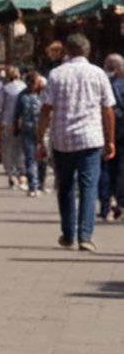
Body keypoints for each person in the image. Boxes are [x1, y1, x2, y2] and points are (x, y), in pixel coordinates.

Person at [37, 32, 116, 252]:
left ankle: (68, 233)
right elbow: (107, 109)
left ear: (67, 51)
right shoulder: (98, 74)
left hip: (63, 140)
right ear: (87, 52)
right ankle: (85, 236)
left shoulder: (56, 74)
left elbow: (45, 110)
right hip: (91, 139)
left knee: (65, 188)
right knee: (88, 187)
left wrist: (40, 139)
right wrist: (110, 140)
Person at [99, 53, 124, 220]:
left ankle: (106, 205)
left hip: (103, 130)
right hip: (122, 132)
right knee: (121, 169)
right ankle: (120, 203)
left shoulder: (100, 83)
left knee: (104, 169)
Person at [14, 72, 47, 196]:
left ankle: (41, 184)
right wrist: (15, 125)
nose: (39, 84)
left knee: (42, 159)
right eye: (37, 81)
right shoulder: (22, 96)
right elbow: (17, 112)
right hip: (27, 130)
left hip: (42, 130)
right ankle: (33, 186)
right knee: (30, 158)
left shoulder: (44, 95)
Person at [0, 66, 25, 188]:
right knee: (21, 149)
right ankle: (22, 173)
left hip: (7, 122)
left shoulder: (5, 89)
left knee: (8, 150)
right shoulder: (25, 88)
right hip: (22, 122)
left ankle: (11, 174)